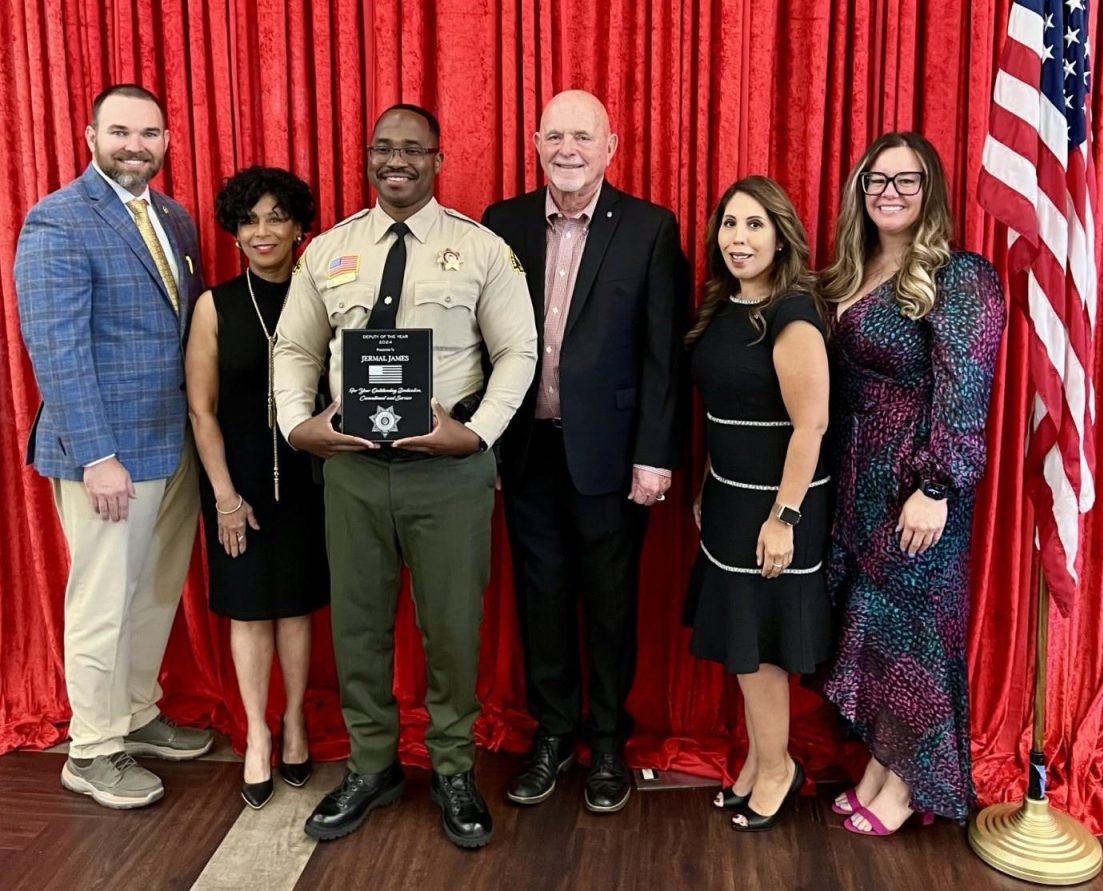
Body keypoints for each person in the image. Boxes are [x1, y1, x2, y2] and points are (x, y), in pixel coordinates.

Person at [274, 104, 537, 848]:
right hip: (352, 472)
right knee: (357, 630)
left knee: (452, 628)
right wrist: (299, 424)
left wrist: (476, 431)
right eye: (384, 148)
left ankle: (453, 767)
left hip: (447, 475)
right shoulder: (327, 250)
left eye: (413, 149)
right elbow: (295, 346)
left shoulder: (482, 249)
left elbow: (520, 350)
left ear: (438, 159)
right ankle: (372, 764)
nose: (398, 160)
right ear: (367, 158)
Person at [481, 89, 689, 815]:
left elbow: (665, 354)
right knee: (540, 600)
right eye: (555, 136)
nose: (568, 149)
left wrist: (656, 455)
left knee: (608, 602)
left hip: (612, 456)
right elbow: (479, 342)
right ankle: (552, 734)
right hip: (525, 450)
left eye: (583, 136)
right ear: (535, 142)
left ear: (611, 146)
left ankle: (606, 742)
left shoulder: (650, 229)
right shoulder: (501, 224)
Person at [15, 84, 213, 810]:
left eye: (151, 132)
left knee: (157, 590)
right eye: (121, 131)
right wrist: (97, 454)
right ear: (89, 134)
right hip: (107, 456)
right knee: (102, 600)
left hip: (174, 442)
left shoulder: (173, 216)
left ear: (166, 139)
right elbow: (57, 347)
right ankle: (93, 748)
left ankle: (135, 710)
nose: (137, 144)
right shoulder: (58, 221)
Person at [820, 132, 1005, 834]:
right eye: (876, 180)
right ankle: (878, 769)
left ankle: (906, 788)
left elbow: (966, 392)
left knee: (914, 636)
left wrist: (938, 486)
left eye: (906, 180)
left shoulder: (959, 277)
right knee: (873, 631)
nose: (888, 193)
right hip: (858, 485)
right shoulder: (852, 269)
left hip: (917, 490)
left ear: (931, 193)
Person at [683, 176, 832, 832]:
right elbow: (728, 408)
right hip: (728, 500)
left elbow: (812, 425)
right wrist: (708, 480)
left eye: (754, 225)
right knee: (743, 647)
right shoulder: (723, 305)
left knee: (761, 648)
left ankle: (778, 768)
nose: (738, 238)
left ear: (781, 236)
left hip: (776, 507)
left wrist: (785, 517)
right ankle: (758, 758)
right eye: (730, 224)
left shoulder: (793, 313)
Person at [185, 166, 327, 810]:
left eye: (276, 217)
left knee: (296, 607)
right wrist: (224, 497)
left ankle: (296, 722)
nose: (262, 231)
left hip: (310, 481)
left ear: (300, 226)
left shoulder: (324, 292)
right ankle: (258, 738)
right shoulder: (215, 305)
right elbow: (201, 409)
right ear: (234, 232)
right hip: (236, 481)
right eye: (249, 220)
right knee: (248, 610)